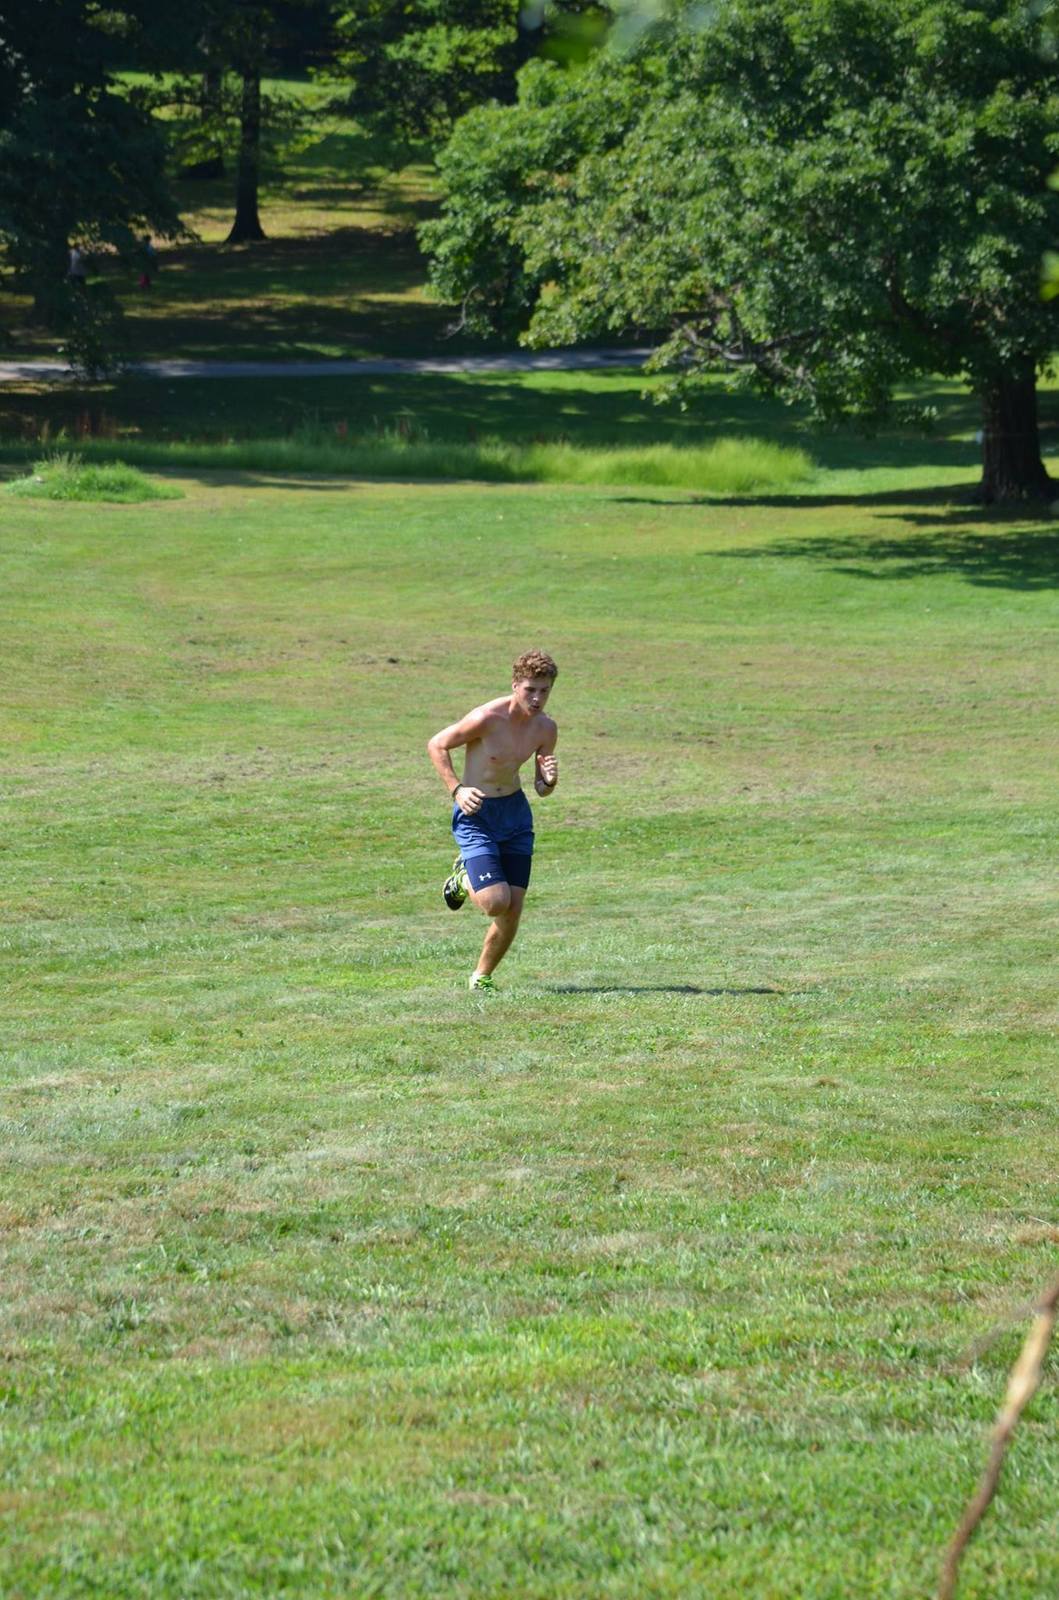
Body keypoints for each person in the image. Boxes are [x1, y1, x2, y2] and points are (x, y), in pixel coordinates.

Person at [427, 650, 559, 991]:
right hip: (477, 813)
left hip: (515, 814)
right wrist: (457, 789)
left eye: (544, 691)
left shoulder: (545, 728)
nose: (537, 698)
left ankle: (481, 977)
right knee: (495, 903)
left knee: (513, 907)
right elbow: (437, 744)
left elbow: (541, 789)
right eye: (530, 690)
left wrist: (549, 781)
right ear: (515, 685)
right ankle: (462, 876)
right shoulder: (487, 718)